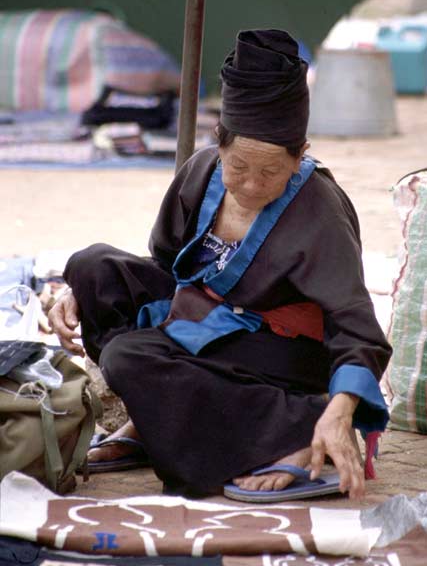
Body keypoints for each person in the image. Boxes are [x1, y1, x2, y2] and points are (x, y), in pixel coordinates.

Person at [48, 29, 391, 501]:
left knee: (129, 358)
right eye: (238, 168)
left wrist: (342, 405)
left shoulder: (320, 211)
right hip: (203, 320)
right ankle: (153, 421)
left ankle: (297, 427)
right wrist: (78, 294)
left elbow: (358, 330)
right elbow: (165, 266)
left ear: (301, 154)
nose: (250, 185)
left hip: (279, 353)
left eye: (271, 171)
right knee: (91, 268)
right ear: (219, 143)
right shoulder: (200, 170)